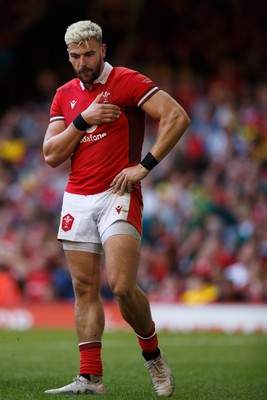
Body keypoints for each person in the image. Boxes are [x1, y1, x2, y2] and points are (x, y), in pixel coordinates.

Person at [43, 20, 190, 397]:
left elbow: (176, 116)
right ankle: (90, 378)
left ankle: (153, 355)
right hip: (77, 197)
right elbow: (51, 154)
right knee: (84, 288)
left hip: (118, 193)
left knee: (122, 286)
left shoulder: (126, 80)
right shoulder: (64, 95)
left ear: (103, 50)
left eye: (89, 54)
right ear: (68, 56)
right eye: (75, 56)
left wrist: (144, 165)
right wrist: (83, 119)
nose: (83, 62)